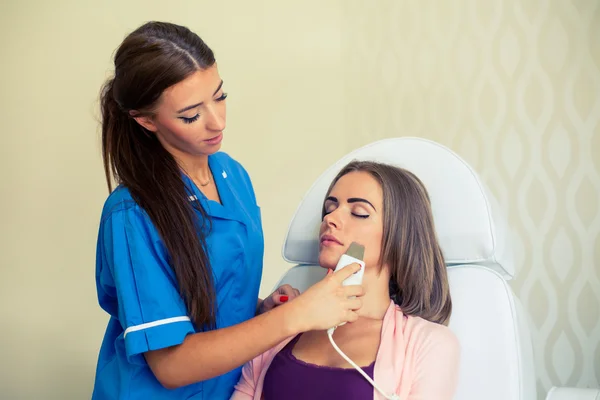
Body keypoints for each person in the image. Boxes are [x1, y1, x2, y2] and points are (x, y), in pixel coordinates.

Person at [92, 21, 365, 400]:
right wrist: (294, 318)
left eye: (220, 97)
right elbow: (171, 364)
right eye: (191, 115)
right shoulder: (132, 215)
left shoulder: (231, 175)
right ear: (146, 119)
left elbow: (209, 295)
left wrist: (260, 310)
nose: (217, 122)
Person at [231, 161, 461, 400]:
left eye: (359, 212)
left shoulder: (429, 344)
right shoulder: (283, 326)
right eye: (329, 208)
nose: (330, 219)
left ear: (400, 235)